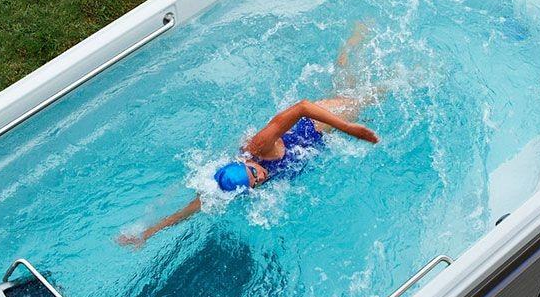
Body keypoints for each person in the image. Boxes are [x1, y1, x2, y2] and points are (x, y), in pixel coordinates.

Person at [117, 22, 382, 248]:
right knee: (348, 89)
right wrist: (146, 235)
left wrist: (348, 129)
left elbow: (302, 107)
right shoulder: (227, 187)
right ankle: (350, 47)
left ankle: (369, 49)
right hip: (314, 144)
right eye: (256, 182)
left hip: (312, 125)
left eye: (255, 173)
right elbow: (188, 210)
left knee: (368, 97)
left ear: (246, 163)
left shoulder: (258, 146)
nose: (261, 177)